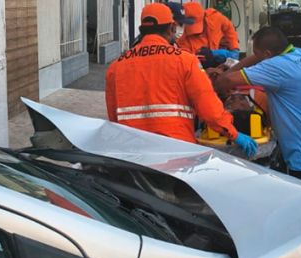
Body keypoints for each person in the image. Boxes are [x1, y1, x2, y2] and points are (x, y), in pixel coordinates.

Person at [105, 3, 257, 156]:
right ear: (171, 28)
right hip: (176, 150)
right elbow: (208, 107)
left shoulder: (115, 67)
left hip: (132, 153)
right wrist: (234, 134)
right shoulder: (185, 61)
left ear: (141, 30)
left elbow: (114, 117)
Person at [215, 27, 301, 193]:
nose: (255, 58)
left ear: (268, 54)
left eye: (257, 53)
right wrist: (258, 55)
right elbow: (262, 58)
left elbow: (223, 82)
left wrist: (224, 71)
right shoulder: (300, 54)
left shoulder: (277, 67)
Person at [176, 2, 240, 66]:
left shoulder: (215, 18)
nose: (196, 32)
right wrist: (209, 55)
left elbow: (229, 28)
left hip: (221, 62)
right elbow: (189, 62)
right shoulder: (183, 41)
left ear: (204, 17)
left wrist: (234, 48)